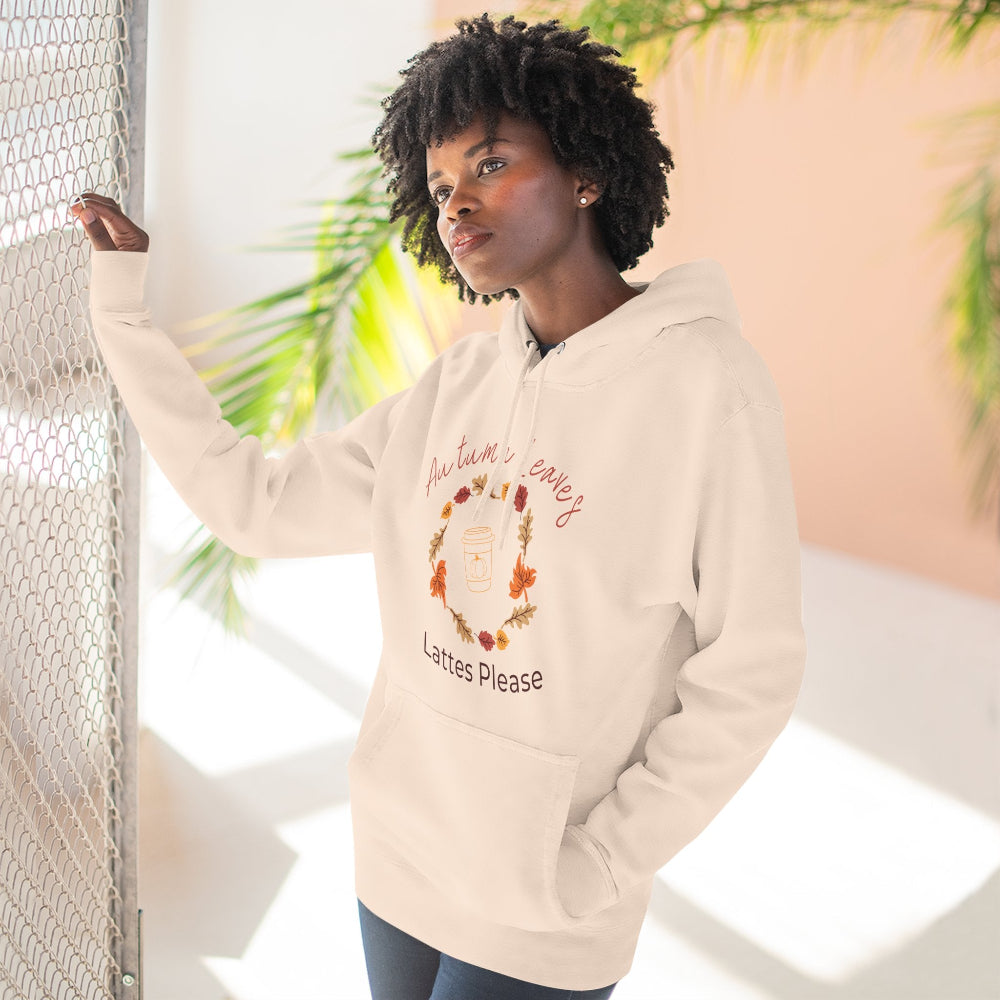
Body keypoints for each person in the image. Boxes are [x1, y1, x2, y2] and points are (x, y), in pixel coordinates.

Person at [72, 13, 807, 1000]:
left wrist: (596, 862)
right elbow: (255, 503)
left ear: (586, 168)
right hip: (400, 855)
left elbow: (751, 667)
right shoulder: (456, 385)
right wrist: (123, 312)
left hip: (547, 902)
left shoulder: (705, 387)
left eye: (491, 163)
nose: (457, 203)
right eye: (439, 186)